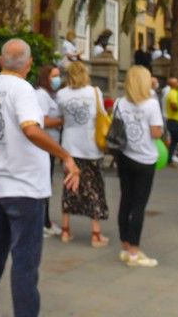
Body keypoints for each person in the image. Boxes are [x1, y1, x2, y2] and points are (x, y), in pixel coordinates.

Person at [0, 39, 80, 317]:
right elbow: (30, 128)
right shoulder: (23, 90)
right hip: (26, 189)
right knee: (25, 264)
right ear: (28, 65)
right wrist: (65, 156)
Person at [111, 66, 164, 268]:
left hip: (125, 154)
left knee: (126, 199)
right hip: (145, 157)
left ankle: (125, 245)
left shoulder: (120, 102)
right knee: (139, 205)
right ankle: (134, 250)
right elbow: (156, 132)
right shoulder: (150, 104)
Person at [54, 61, 110, 246]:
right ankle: (96, 233)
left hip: (69, 146)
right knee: (94, 187)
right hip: (90, 146)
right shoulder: (94, 92)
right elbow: (101, 113)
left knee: (69, 187)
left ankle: (65, 230)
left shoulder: (61, 94)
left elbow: (60, 116)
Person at [34, 65, 65, 238]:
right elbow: (43, 121)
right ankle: (42, 222)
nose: (57, 79)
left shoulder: (50, 95)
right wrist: (62, 120)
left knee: (47, 183)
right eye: (54, 76)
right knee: (43, 184)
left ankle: (45, 220)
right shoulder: (41, 96)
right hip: (44, 145)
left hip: (50, 144)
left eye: (58, 75)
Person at [164, 76, 178, 166]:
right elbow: (174, 106)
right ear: (174, 84)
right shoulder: (173, 94)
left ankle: (170, 159)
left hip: (173, 120)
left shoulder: (174, 93)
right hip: (174, 120)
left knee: (175, 141)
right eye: (177, 82)